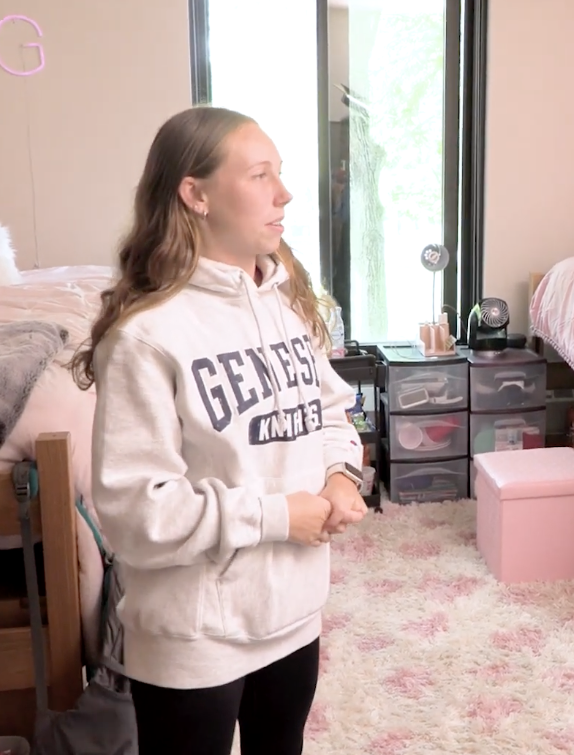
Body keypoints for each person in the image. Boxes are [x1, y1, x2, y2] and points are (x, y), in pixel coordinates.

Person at [70, 106, 369, 755]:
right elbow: (134, 511)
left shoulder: (287, 304)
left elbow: (329, 412)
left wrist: (340, 475)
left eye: (280, 175)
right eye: (260, 175)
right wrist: (276, 517)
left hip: (293, 614)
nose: (284, 194)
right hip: (194, 633)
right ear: (195, 193)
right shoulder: (145, 335)